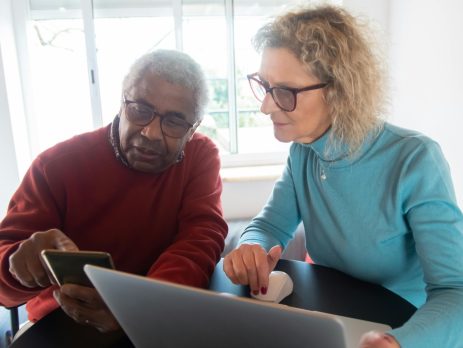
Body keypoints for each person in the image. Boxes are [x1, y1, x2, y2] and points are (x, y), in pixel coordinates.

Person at [223, 5, 463, 348]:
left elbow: (456, 293)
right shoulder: (302, 151)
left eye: (285, 92)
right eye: (265, 85)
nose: (266, 107)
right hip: (334, 315)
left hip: (404, 326)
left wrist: (397, 343)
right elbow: (269, 227)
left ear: (340, 91)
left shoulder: (415, 159)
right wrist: (250, 248)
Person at [0, 49, 228, 334]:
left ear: (192, 129)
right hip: (62, 324)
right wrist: (18, 266)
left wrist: (139, 306)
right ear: (122, 103)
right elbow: (3, 289)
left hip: (155, 311)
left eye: (174, 122)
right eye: (140, 110)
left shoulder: (200, 155)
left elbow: (200, 237)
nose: (152, 133)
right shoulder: (55, 166)